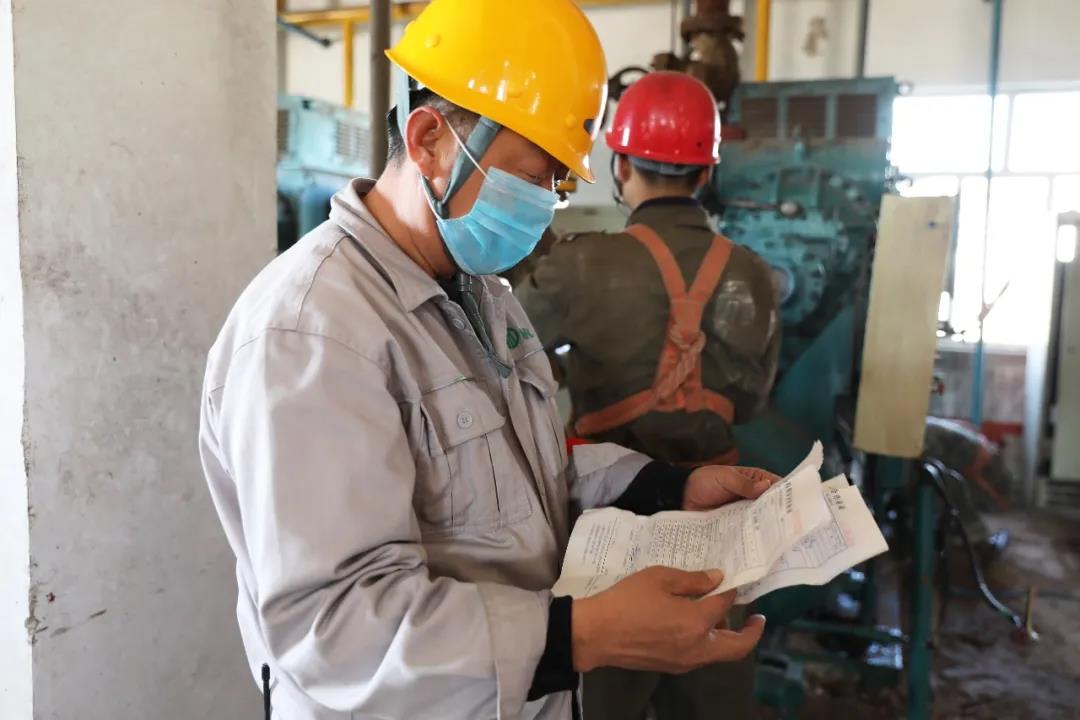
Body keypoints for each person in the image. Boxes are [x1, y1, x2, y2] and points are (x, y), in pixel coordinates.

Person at [198, 4, 772, 719]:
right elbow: (332, 631)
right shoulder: (312, 333)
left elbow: (525, 476)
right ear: (430, 140)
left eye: (559, 184)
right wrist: (579, 634)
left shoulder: (482, 293)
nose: (546, 205)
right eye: (534, 176)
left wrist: (667, 486)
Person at [516, 71, 782, 720]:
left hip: (612, 527)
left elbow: (508, 366)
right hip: (720, 517)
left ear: (621, 165)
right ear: (706, 172)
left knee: (607, 697)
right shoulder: (753, 273)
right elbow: (751, 405)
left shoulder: (578, 263)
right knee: (715, 696)